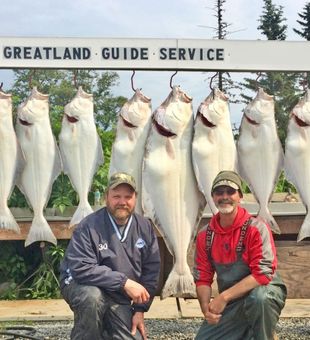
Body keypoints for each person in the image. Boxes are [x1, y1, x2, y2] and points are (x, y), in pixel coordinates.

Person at [60, 172, 161, 340]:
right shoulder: (88, 225)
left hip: (117, 294)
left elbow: (151, 272)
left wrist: (140, 309)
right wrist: (124, 282)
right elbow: (82, 269)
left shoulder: (144, 227)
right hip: (82, 285)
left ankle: (106, 327)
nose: (122, 202)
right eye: (116, 196)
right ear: (106, 196)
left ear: (135, 198)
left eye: (128, 196)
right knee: (92, 298)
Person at [193, 170, 287, 340]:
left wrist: (223, 297)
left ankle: (263, 334)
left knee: (259, 299)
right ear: (213, 197)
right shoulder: (204, 235)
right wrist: (206, 308)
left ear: (240, 196)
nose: (225, 196)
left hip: (264, 292)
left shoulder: (257, 228)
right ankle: (253, 330)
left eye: (230, 192)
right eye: (219, 192)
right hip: (233, 301)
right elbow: (202, 277)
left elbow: (263, 274)